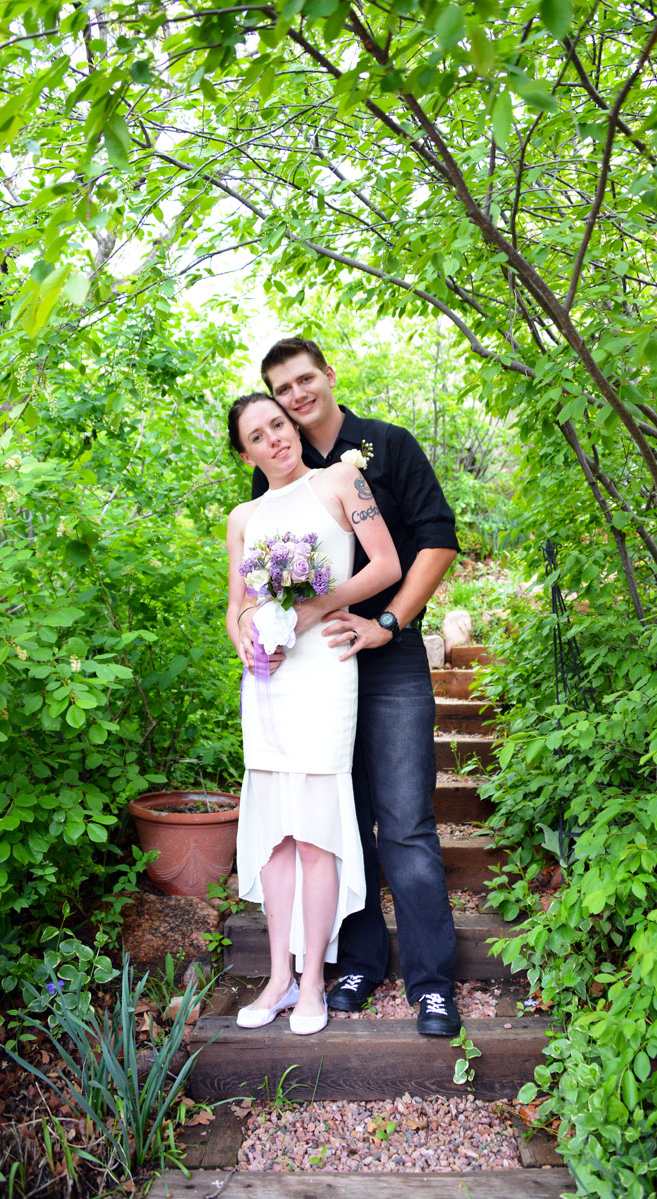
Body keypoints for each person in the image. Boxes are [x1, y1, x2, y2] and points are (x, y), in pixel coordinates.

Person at [240, 338, 462, 1037]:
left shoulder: (388, 446)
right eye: (282, 390)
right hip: (310, 671)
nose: (296, 397)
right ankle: (360, 961)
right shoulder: (277, 475)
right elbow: (258, 578)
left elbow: (437, 539)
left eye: (305, 380)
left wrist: (389, 622)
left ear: (329, 376)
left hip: (385, 656)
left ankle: (431, 982)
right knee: (340, 818)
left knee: (404, 822)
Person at [226, 392, 401, 1036]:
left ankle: (314, 986)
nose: (276, 438)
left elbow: (386, 563)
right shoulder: (244, 516)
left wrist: (315, 606)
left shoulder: (342, 480)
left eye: (279, 423)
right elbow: (237, 607)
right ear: (245, 452)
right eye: (259, 434)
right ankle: (277, 978)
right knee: (275, 830)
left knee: (316, 827)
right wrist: (248, 636)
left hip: (324, 668)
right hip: (268, 681)